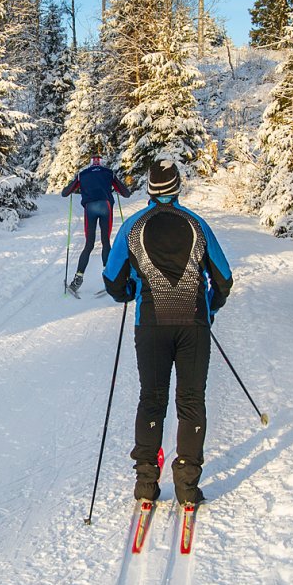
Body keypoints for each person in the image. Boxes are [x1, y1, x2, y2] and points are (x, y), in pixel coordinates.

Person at [102, 161, 232, 506]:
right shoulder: (196, 224)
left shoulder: (133, 226)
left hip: (151, 325)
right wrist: (210, 306)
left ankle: (146, 481)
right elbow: (224, 279)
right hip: (193, 324)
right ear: (177, 188)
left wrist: (131, 290)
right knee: (191, 401)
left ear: (149, 190)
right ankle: (187, 486)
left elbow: (112, 281)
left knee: (152, 398)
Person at [60, 154, 132, 293]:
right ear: (101, 162)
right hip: (106, 206)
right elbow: (126, 193)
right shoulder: (108, 173)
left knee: (89, 244)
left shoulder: (83, 174)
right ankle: (110, 280)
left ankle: (77, 280)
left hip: (90, 207)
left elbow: (65, 193)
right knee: (106, 242)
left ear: (91, 163)